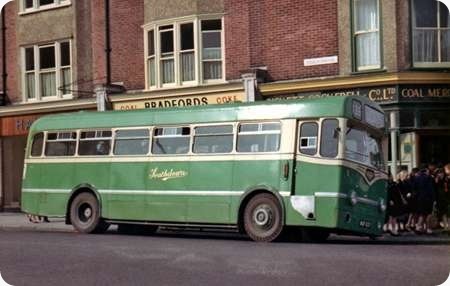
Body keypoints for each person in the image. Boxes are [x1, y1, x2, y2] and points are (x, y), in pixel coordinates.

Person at [413, 168, 436, 234]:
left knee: (422, 214)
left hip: (420, 199)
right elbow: (431, 190)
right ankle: (428, 229)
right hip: (428, 199)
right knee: (428, 214)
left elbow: (414, 188)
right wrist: (434, 199)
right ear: (426, 171)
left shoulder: (417, 178)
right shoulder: (429, 178)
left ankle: (418, 227)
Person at [436, 164, 450, 231]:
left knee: (448, 213)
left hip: (447, 198)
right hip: (441, 198)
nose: (440, 175)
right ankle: (445, 227)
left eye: (441, 173)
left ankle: (448, 226)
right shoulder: (437, 181)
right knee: (443, 213)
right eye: (439, 173)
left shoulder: (447, 179)